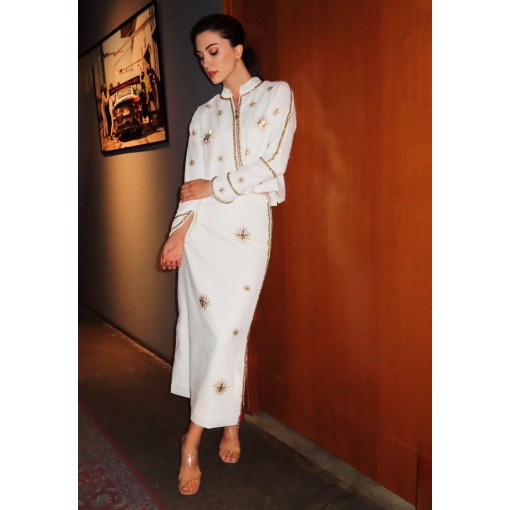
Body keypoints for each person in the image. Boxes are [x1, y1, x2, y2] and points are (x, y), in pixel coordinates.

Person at [159, 13, 296, 496]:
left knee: (228, 333)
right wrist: (177, 235)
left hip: (245, 231)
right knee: (206, 334)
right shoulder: (203, 115)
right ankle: (227, 424)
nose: (206, 63)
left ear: (238, 49)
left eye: (213, 51)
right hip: (203, 236)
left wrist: (215, 185)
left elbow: (271, 164)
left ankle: (192, 438)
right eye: (200, 56)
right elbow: (188, 187)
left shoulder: (277, 95)